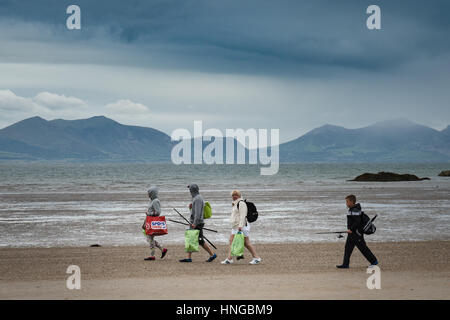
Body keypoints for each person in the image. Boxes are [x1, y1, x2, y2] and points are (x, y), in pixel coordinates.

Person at [336, 194, 378, 269]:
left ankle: (374, 261)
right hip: (352, 234)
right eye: (346, 202)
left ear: (352, 202)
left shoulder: (355, 210)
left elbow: (357, 222)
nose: (346, 203)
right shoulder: (352, 209)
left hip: (357, 233)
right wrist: (350, 230)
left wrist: (351, 229)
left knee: (363, 248)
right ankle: (345, 264)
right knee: (348, 248)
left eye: (347, 202)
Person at [221, 190, 261, 265]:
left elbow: (243, 216)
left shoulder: (241, 203)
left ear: (239, 196)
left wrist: (240, 226)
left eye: (236, 195)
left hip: (242, 226)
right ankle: (229, 259)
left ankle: (256, 258)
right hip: (236, 226)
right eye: (233, 195)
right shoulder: (235, 204)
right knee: (233, 241)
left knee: (246, 243)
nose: (234, 196)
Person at [179, 184, 217, 263]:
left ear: (193, 190)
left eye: (190, 190)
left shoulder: (198, 199)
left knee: (199, 240)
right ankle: (189, 257)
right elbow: (194, 212)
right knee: (192, 239)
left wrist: (195, 223)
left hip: (197, 223)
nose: (189, 191)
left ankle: (212, 254)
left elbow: (198, 213)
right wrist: (191, 208)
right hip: (195, 222)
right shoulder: (195, 198)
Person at [142, 186, 168, 261]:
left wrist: (149, 213)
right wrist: (144, 222)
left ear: (152, 193)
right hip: (149, 221)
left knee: (150, 238)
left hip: (152, 222)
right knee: (149, 238)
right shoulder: (151, 200)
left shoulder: (156, 201)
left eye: (149, 193)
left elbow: (158, 212)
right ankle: (162, 249)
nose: (148, 194)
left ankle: (152, 255)